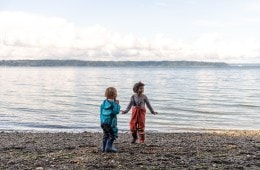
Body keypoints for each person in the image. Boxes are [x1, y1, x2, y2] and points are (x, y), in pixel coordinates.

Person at [100, 87, 121, 152]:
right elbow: (116, 112)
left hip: (103, 122)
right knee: (112, 135)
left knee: (106, 134)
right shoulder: (113, 104)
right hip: (111, 123)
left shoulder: (104, 103)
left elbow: (101, 112)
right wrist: (117, 104)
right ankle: (108, 147)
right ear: (115, 95)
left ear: (106, 94)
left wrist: (102, 121)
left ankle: (103, 147)